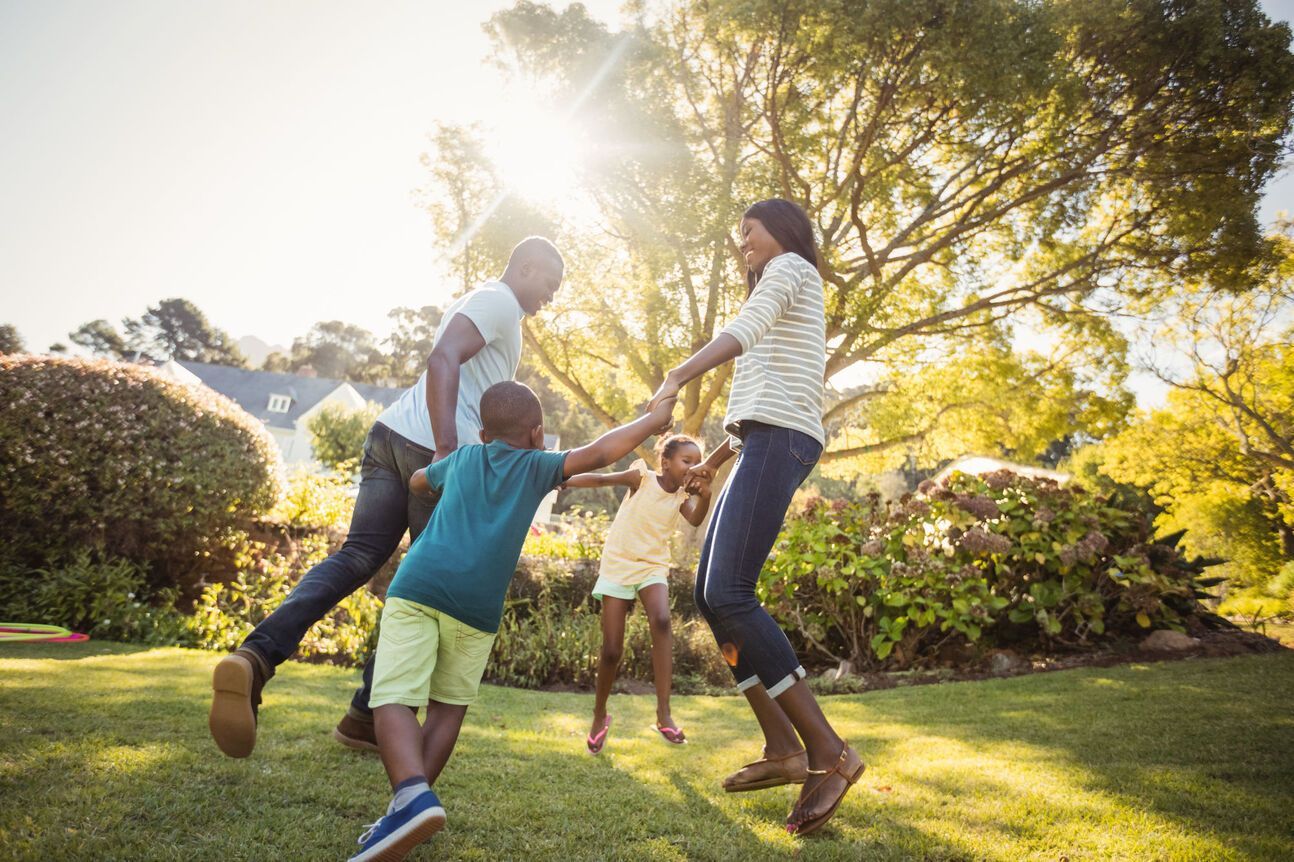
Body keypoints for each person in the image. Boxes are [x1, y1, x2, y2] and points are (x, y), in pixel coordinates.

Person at [209, 237, 564, 759]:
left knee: (358, 557)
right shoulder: (500, 303)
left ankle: (262, 661)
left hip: (390, 434)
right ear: (526, 268)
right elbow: (442, 358)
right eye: (549, 284)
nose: (551, 297)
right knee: (422, 593)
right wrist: (447, 450)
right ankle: (371, 715)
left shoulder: (479, 299)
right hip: (430, 449)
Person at [347, 381, 676, 862]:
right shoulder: (539, 466)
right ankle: (406, 809)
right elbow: (602, 451)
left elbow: (420, 480)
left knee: (393, 697)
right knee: (447, 708)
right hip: (477, 608)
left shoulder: (460, 461)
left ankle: (411, 798)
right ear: (538, 433)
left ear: (482, 433)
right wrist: (651, 421)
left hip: (420, 588)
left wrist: (424, 481)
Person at [647, 198, 865, 835]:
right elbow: (762, 395)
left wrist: (676, 375)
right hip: (762, 440)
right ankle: (783, 746)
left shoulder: (791, 268)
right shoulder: (785, 277)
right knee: (710, 596)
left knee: (729, 592)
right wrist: (712, 460)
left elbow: (745, 329)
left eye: (749, 232)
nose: (741, 243)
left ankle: (830, 752)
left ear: (784, 232)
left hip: (782, 440)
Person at [563, 434, 712, 754]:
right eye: (687, 460)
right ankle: (599, 715)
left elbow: (696, 519)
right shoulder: (641, 477)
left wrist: (707, 494)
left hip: (652, 566)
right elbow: (602, 479)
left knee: (661, 620)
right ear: (666, 462)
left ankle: (664, 715)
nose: (692, 467)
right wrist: (564, 479)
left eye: (696, 461)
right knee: (612, 650)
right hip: (619, 564)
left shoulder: (683, 495)